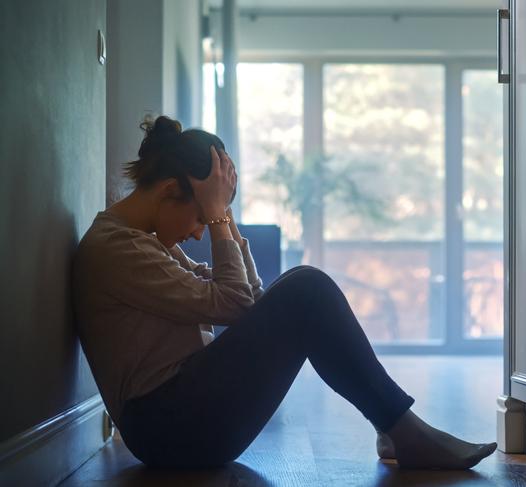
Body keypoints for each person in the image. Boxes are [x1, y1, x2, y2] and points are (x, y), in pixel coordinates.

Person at [73, 115, 497, 470]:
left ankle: (396, 429)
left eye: (208, 220)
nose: (199, 232)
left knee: (303, 286)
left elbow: (248, 303)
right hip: (169, 430)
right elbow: (236, 302)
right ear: (169, 191)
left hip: (181, 417)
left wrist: (225, 220)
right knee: (307, 287)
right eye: (201, 217)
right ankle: (401, 430)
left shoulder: (143, 242)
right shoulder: (118, 248)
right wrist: (219, 219)